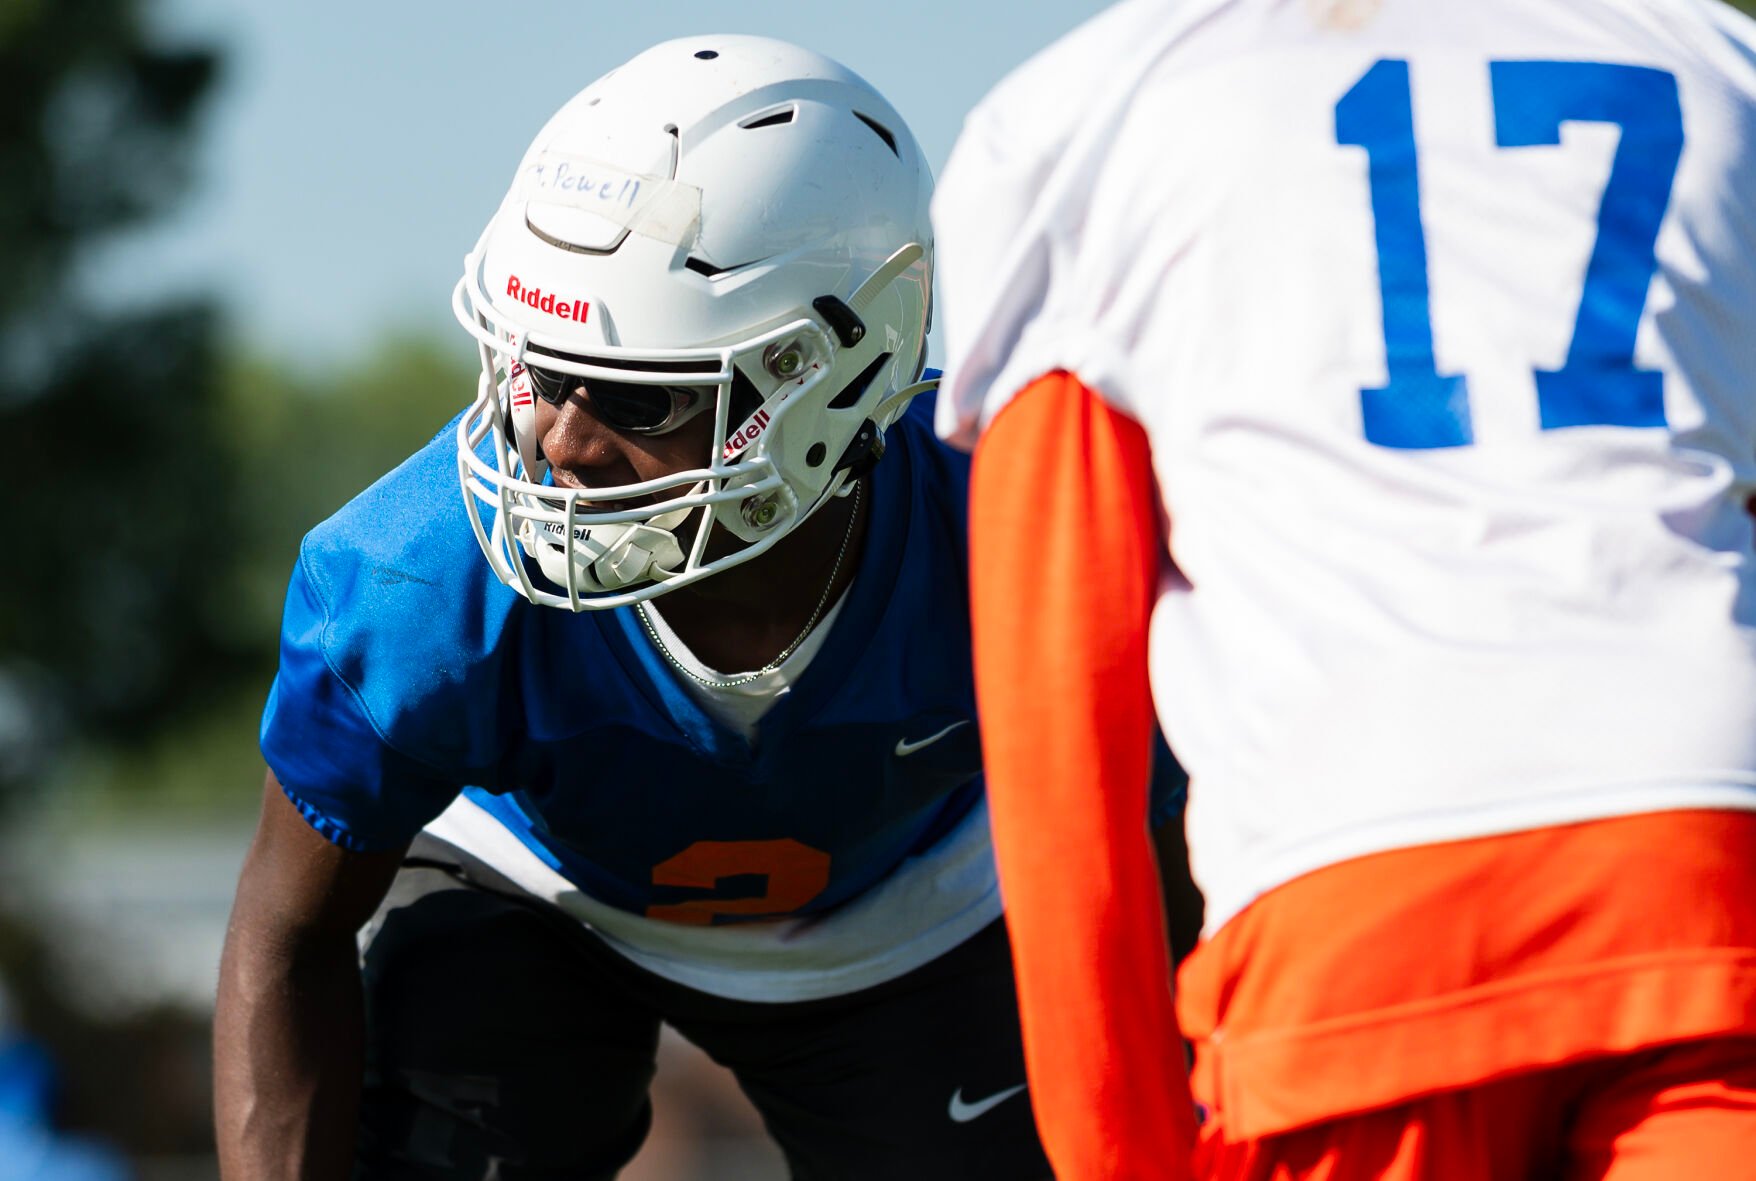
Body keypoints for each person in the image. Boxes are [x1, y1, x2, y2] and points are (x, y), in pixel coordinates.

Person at [213, 34, 1183, 1181]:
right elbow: (288, 937)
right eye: (533, 369)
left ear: (841, 372)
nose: (559, 443)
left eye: (636, 390)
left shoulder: (1014, 528)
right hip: (542, 899)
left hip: (908, 915)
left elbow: (1161, 867)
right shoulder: (418, 578)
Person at [934, 0, 1756, 1178]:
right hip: (1706, 841)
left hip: (1351, 879)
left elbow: (1058, 723)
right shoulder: (1711, 57)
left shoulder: (1085, 114)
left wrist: (1119, 1153)